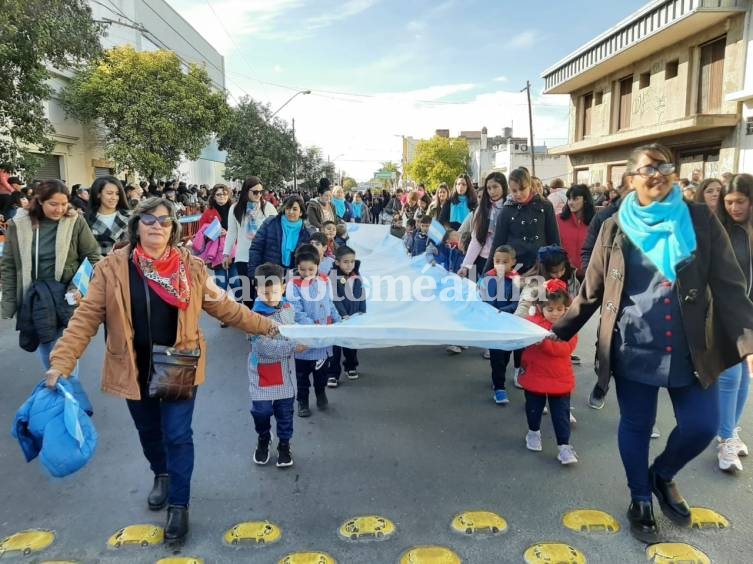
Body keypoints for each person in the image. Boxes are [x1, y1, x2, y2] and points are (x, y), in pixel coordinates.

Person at [551, 143, 753, 543]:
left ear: (674, 174)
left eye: (665, 165)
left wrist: (748, 341)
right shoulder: (613, 226)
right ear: (631, 179)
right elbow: (591, 293)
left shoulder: (700, 219)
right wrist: (554, 332)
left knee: (703, 425)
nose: (657, 173)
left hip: (692, 347)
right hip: (632, 345)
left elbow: (730, 286)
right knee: (637, 424)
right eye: (647, 168)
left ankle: (661, 474)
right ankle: (640, 497)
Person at [44, 197, 278, 543]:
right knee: (150, 432)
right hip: (132, 365)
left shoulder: (192, 268)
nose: (157, 226)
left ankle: (179, 506)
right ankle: (162, 474)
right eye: (150, 220)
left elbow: (225, 307)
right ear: (136, 225)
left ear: (173, 229)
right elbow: (85, 318)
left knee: (178, 435)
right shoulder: (112, 268)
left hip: (178, 362)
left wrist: (266, 326)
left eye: (165, 221)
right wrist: (60, 364)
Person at [1, 180, 101, 377]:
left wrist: (78, 288)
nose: (59, 209)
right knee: (48, 351)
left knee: (63, 355)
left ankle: (68, 398)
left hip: (65, 296)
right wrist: (9, 304)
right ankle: (62, 397)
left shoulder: (75, 222)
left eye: (64, 204)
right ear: (39, 201)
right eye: (53, 204)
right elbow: (9, 266)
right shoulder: (18, 225)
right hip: (36, 298)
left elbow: (92, 257)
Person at [716, 174, 753, 472]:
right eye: (728, 202)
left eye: (740, 201)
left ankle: (731, 431)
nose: (733, 207)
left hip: (749, 313)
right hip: (723, 312)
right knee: (729, 375)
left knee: (744, 373)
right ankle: (725, 439)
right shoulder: (720, 229)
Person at [520, 278, 579, 465]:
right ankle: (533, 433)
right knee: (534, 409)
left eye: (560, 309)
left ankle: (564, 447)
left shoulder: (569, 327)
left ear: (566, 308)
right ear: (539, 307)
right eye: (550, 309)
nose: (555, 314)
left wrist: (544, 343)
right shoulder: (530, 325)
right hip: (535, 375)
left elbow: (565, 349)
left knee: (561, 414)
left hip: (559, 378)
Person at [249, 262, 303, 468]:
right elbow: (263, 348)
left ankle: (284, 444)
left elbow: (296, 327)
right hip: (262, 372)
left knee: (285, 413)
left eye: (274, 290)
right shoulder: (253, 318)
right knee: (261, 411)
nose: (270, 295)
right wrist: (293, 347)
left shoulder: (288, 307)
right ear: (257, 289)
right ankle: (264, 437)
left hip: (285, 373)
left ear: (283, 287)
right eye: (265, 291)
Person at [287, 246, 342, 417]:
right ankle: (302, 401)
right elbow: (295, 310)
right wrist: (312, 327)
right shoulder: (293, 285)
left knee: (321, 373)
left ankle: (321, 393)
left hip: (323, 338)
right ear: (297, 267)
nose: (307, 272)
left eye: (311, 269)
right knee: (302, 375)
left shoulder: (324, 281)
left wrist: (338, 320)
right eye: (302, 269)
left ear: (318, 266)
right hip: (305, 339)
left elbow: (330, 303)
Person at [484, 167, 561, 275]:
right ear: (510, 189)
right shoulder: (506, 211)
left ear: (530, 185)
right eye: (514, 191)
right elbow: (497, 244)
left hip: (540, 268)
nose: (518, 194)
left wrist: (558, 267)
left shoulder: (546, 206)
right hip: (514, 269)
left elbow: (554, 240)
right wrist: (485, 274)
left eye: (522, 189)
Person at [224, 176, 278, 303]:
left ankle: (263, 321)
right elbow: (232, 233)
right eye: (255, 192)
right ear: (246, 191)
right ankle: (250, 321)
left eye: (261, 192)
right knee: (248, 295)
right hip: (243, 256)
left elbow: (276, 230)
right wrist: (226, 254)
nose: (258, 195)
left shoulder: (268, 207)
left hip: (263, 256)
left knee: (264, 294)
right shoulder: (235, 209)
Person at [480, 245, 521, 404]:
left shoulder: (515, 281)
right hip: (493, 326)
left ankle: (499, 377)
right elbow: (481, 299)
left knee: (505, 355)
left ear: (513, 262)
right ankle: (499, 388)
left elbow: (516, 304)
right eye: (497, 261)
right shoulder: (487, 277)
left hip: (509, 324)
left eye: (505, 262)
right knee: (496, 356)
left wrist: (501, 311)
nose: (500, 265)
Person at [327, 245, 366, 387]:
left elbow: (361, 292)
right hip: (338, 317)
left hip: (354, 315)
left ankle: (351, 366)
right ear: (337, 262)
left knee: (351, 343)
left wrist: (362, 309)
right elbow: (335, 297)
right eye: (346, 262)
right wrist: (342, 314)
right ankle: (332, 373)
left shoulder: (356, 274)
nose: (350, 265)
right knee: (335, 346)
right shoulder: (332, 276)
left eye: (352, 261)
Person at [196, 184, 235, 319]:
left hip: (234, 250)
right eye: (218, 194)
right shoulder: (209, 212)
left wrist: (228, 233)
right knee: (221, 283)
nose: (221, 197)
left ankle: (240, 310)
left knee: (236, 282)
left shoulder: (234, 210)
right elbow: (201, 233)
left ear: (228, 195)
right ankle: (223, 314)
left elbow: (242, 230)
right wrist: (215, 232)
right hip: (217, 253)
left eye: (224, 194)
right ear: (213, 196)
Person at [459, 172, 508, 280]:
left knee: (497, 294)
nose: (492, 191)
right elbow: (476, 239)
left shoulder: (510, 208)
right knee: (475, 293)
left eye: (495, 187)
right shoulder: (482, 209)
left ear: (503, 186)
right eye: (489, 188)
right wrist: (465, 266)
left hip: (502, 262)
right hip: (481, 259)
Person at [249, 195, 311, 277]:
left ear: (301, 212)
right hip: (269, 273)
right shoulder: (270, 223)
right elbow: (256, 248)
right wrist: (254, 273)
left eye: (295, 209)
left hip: (293, 275)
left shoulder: (306, 232)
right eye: (288, 208)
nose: (291, 212)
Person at [557, 184, 595, 279]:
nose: (570, 202)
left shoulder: (595, 222)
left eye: (575, 199)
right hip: (562, 273)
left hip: (587, 274)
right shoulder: (558, 220)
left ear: (585, 200)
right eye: (569, 199)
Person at [86, 176, 131, 256]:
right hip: (97, 266)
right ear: (98, 194)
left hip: (126, 265)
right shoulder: (86, 219)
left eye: (117, 194)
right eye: (109, 193)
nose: (114, 198)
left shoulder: (130, 217)